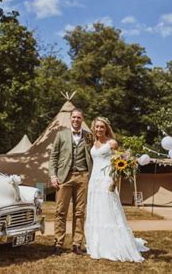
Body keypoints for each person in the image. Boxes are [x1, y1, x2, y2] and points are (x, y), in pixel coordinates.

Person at [85, 116, 148, 262]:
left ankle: (113, 246)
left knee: (109, 210)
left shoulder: (112, 143)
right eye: (97, 127)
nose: (99, 129)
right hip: (94, 180)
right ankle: (97, 245)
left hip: (107, 179)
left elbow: (118, 163)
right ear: (93, 128)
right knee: (96, 210)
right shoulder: (92, 143)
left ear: (106, 128)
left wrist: (114, 181)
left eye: (102, 127)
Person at [48, 108, 94, 255]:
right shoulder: (61, 135)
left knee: (80, 212)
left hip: (82, 177)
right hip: (64, 177)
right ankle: (58, 243)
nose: (76, 120)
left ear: (82, 119)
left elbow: (94, 155)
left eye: (78, 118)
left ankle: (77, 244)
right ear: (70, 119)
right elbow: (53, 157)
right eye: (73, 117)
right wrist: (53, 176)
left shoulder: (88, 137)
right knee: (60, 211)